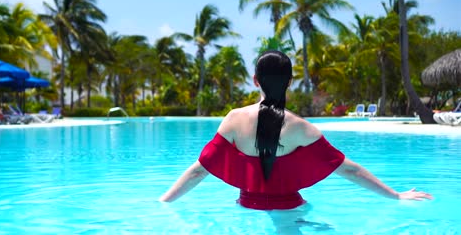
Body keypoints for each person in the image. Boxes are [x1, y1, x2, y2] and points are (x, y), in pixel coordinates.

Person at [159, 50, 433, 210]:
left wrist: (163, 202)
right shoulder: (301, 128)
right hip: (293, 213)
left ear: (255, 81)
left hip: (246, 211)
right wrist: (395, 195)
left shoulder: (233, 120)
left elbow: (199, 170)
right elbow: (348, 169)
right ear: (290, 82)